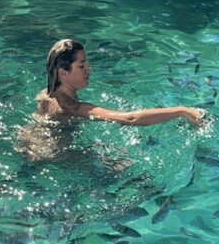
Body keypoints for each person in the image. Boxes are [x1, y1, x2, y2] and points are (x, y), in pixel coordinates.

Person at [17, 39, 206, 163]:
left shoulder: (46, 94)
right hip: (52, 156)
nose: (88, 69)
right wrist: (182, 110)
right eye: (81, 65)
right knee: (127, 167)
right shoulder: (71, 107)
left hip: (29, 144)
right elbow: (129, 119)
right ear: (63, 71)